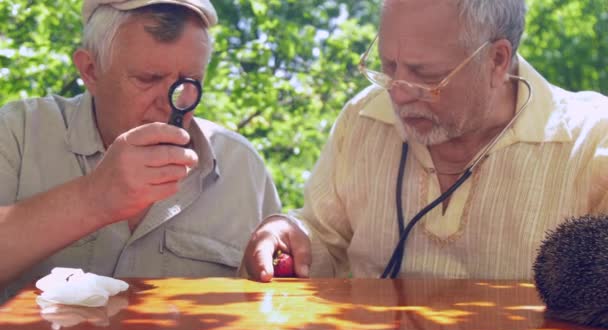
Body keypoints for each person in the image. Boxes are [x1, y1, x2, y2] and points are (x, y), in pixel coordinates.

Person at [242, 0, 608, 282]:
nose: (398, 95)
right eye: (388, 66)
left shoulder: (592, 144)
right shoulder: (364, 118)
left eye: (424, 75)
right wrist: (288, 235)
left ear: (497, 60)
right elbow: (323, 236)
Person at [0, 0, 281, 301]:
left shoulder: (241, 167)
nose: (174, 102)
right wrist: (92, 198)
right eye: (148, 79)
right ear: (91, 70)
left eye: (191, 82)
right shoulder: (19, 134)